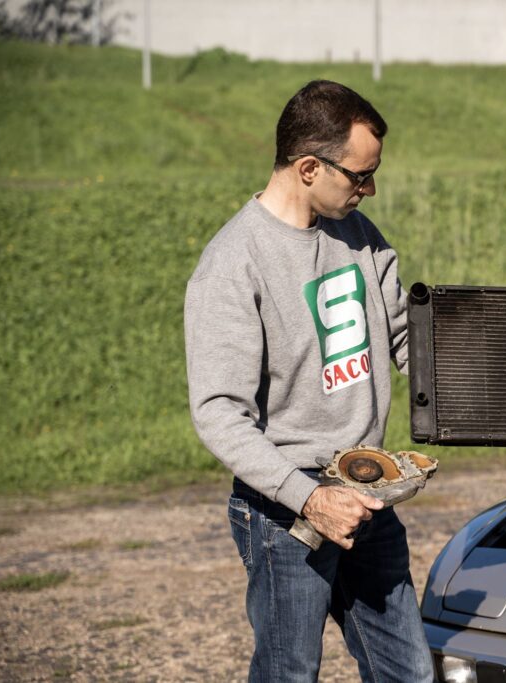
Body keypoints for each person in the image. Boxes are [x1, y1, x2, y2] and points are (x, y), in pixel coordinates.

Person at [184, 80, 433, 683]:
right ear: (307, 167)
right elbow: (219, 412)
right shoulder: (233, 263)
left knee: (410, 673)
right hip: (284, 513)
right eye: (358, 175)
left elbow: (409, 344)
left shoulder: (360, 237)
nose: (368, 188)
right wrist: (311, 499)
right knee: (289, 674)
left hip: (366, 499)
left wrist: (505, 414)